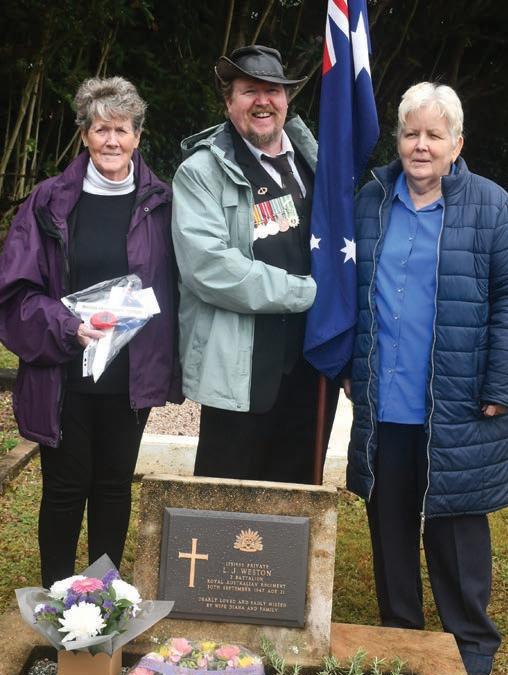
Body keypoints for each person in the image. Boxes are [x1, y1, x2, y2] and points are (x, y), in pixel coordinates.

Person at [346, 82, 508, 675]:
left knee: (456, 522)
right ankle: (400, 632)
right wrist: (349, 365)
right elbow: (349, 291)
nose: (421, 145)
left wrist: (500, 383)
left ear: (456, 144)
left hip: (459, 398)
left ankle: (471, 643)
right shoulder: (371, 200)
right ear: (398, 139)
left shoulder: (491, 206)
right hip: (386, 397)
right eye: (411, 133)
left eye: (434, 135)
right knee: (389, 519)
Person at [0, 76, 181, 587]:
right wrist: (68, 326)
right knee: (64, 488)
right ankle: (57, 600)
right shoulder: (49, 201)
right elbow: (15, 290)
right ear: (84, 135)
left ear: (138, 136)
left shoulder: (162, 203)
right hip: (64, 372)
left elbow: (180, 287)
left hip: (130, 376)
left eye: (122, 130)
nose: (111, 141)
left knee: (113, 487)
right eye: (101, 129)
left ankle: (104, 598)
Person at [172, 45, 338, 484]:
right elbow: (209, 267)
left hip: (311, 365)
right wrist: (307, 292)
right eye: (249, 91)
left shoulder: (317, 162)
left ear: (287, 100)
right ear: (229, 103)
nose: (262, 101)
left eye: (273, 91)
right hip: (240, 372)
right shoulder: (200, 173)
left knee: (296, 498)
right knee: (225, 501)